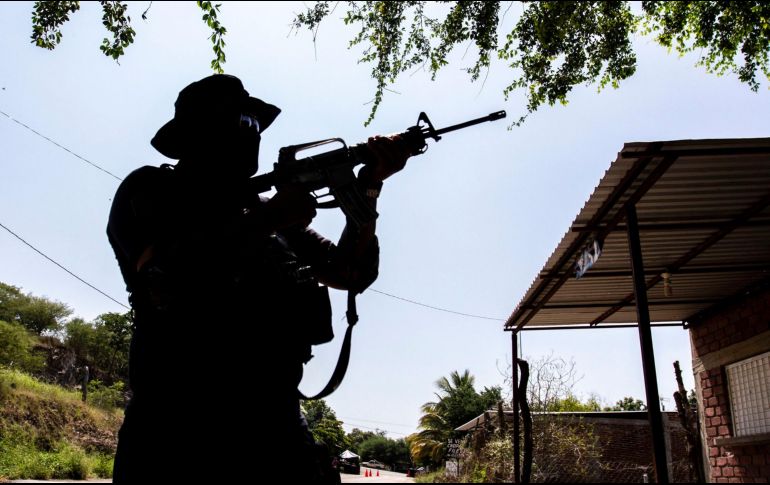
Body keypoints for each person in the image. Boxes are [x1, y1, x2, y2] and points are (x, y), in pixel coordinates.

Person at [107, 74, 411, 482]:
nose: (251, 134)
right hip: (177, 429)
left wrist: (369, 186)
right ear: (194, 135)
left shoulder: (271, 210)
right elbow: (168, 274)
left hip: (276, 428)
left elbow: (350, 272)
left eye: (255, 124)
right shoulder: (152, 188)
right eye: (240, 122)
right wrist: (267, 219)